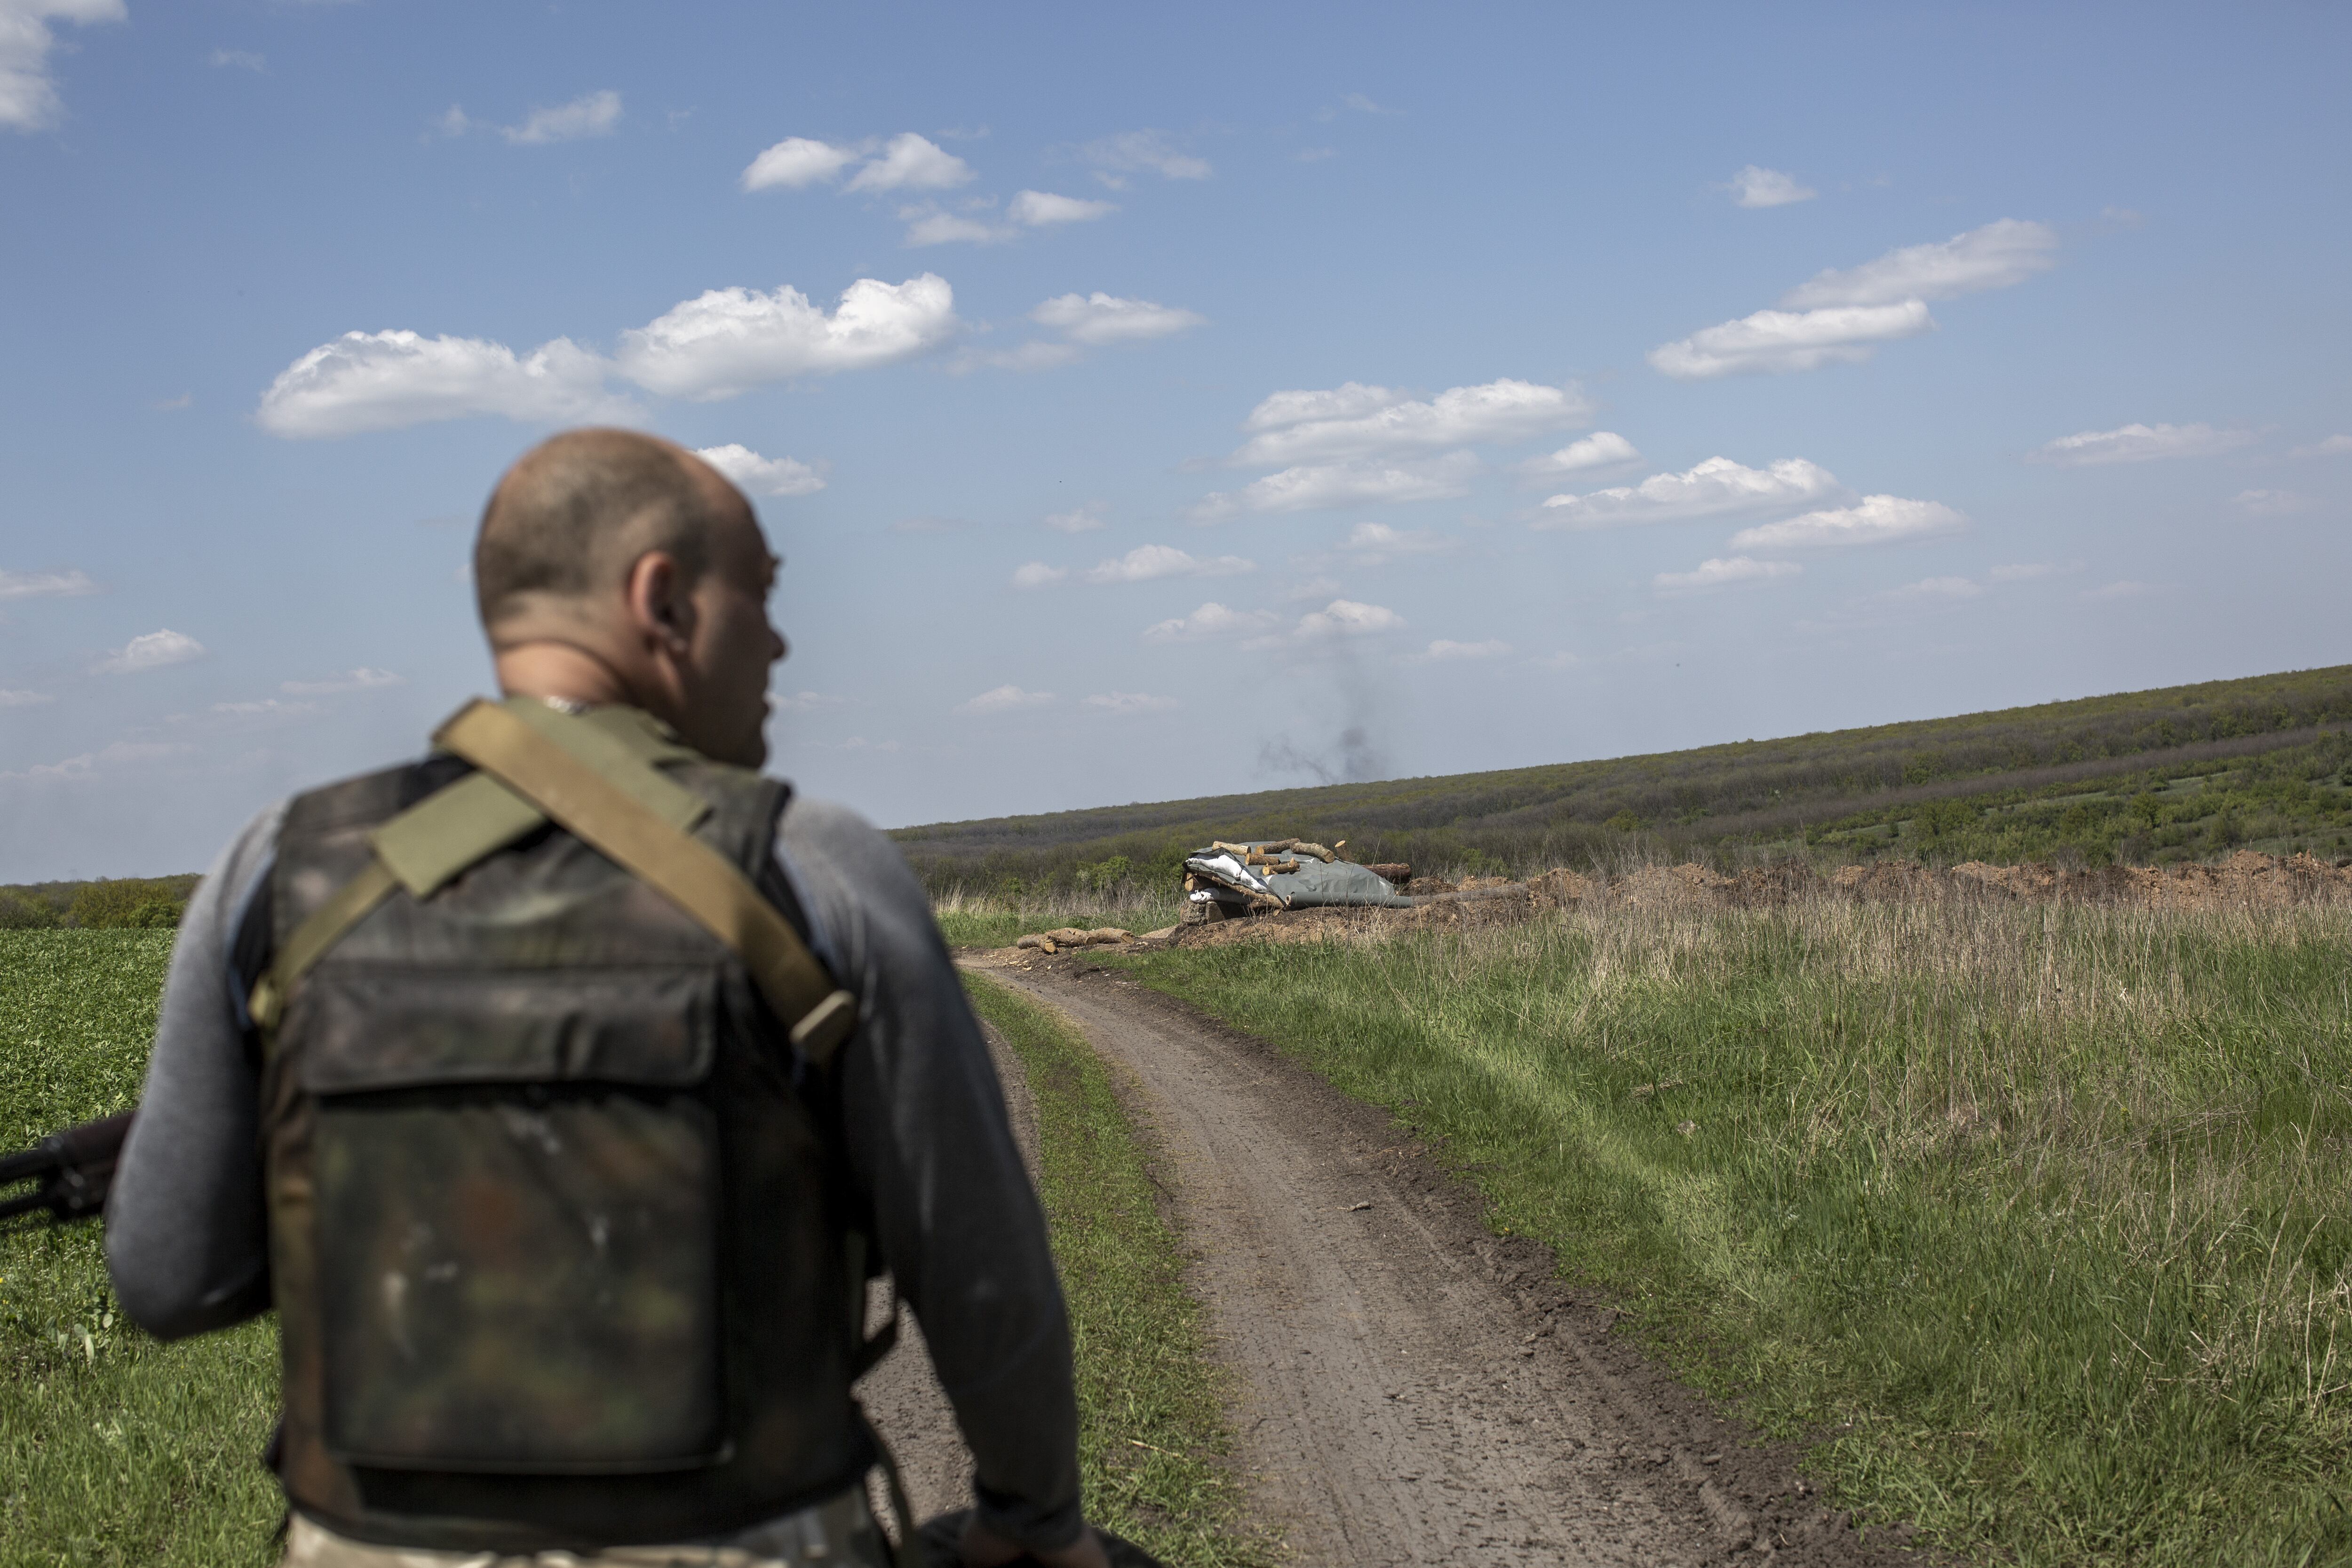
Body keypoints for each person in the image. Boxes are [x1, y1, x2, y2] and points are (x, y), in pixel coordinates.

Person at [104, 429, 1112, 1568]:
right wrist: (1033, 1521)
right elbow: (979, 1272)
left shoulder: (280, 872)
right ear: (662, 598)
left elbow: (171, 1277)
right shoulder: (809, 868)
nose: (779, 640)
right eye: (764, 594)